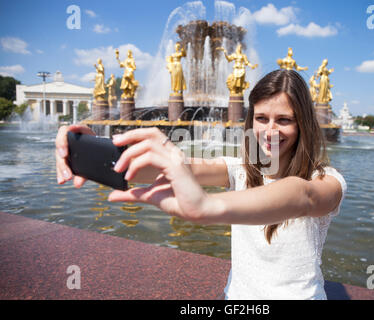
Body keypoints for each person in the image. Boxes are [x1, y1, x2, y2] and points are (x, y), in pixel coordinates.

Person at [55, 69, 346, 300]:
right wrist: (85, 150)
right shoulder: (239, 170)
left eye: (284, 120)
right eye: (261, 118)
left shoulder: (327, 181)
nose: (270, 130)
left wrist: (207, 206)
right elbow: (165, 167)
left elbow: (301, 195)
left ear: (303, 124)